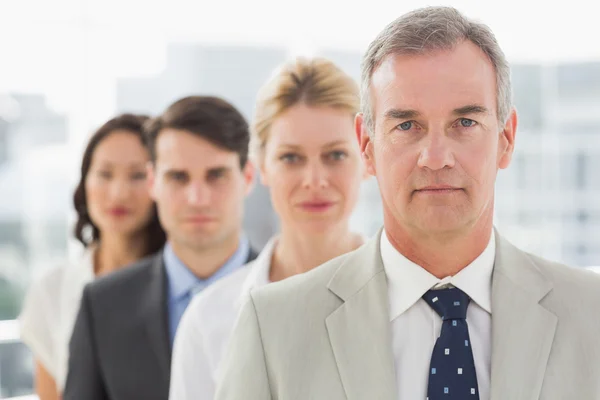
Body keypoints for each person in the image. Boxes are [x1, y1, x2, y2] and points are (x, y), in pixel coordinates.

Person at [215, 7, 600, 400]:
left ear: (506, 138)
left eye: (465, 123)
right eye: (406, 125)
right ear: (366, 145)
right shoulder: (273, 327)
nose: (436, 157)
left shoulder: (592, 315)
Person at [169, 57, 367, 400]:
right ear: (261, 167)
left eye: (335, 155)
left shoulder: (410, 300)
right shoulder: (209, 320)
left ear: (366, 157)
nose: (314, 181)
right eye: (291, 158)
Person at [63, 96, 258, 400]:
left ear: (247, 177)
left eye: (216, 175)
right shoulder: (101, 306)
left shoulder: (292, 294)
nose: (197, 198)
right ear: (153, 181)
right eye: (178, 177)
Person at [19, 114, 166, 400]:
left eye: (137, 175)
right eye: (104, 174)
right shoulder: (52, 290)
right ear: (84, 182)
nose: (119, 192)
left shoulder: (183, 282)